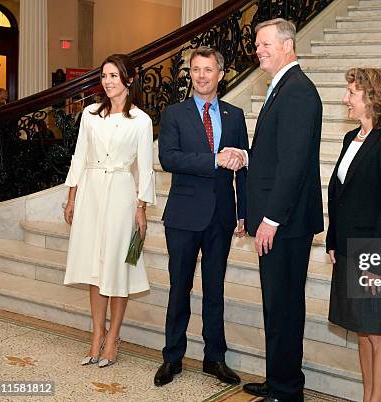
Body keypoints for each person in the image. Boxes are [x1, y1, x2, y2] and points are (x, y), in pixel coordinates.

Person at [154, 46, 248, 387]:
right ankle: (172, 357)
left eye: (208, 69)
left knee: (215, 289)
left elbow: (242, 166)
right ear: (190, 74)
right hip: (182, 216)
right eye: (196, 69)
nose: (202, 75)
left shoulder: (234, 115)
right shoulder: (175, 113)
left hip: (222, 216)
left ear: (220, 75)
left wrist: (244, 213)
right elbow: (170, 159)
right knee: (179, 287)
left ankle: (215, 358)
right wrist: (214, 160)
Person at [241, 18, 323, 402]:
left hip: (286, 224)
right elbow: (274, 157)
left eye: (264, 44)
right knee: (276, 304)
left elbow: (292, 164)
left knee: (285, 306)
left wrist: (271, 219)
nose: (258, 50)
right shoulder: (284, 88)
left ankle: (287, 390)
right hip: (277, 220)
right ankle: (279, 380)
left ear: (287, 45)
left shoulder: (298, 92)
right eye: (257, 45)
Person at [63, 54, 156, 367]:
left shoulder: (141, 121)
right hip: (90, 193)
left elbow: (145, 169)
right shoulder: (90, 113)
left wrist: (141, 209)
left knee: (118, 268)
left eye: (114, 75)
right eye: (104, 75)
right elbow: (79, 156)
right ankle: (95, 334)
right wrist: (72, 198)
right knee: (94, 268)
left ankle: (113, 336)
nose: (108, 81)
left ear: (128, 80)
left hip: (120, 195)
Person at [326, 68, 381, 402]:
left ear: (373, 97)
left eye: (351, 92)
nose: (346, 98)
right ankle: (368, 397)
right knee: (362, 331)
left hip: (376, 253)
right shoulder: (351, 138)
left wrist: (373, 261)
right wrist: (333, 239)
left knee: (378, 334)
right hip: (348, 249)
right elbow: (339, 194)